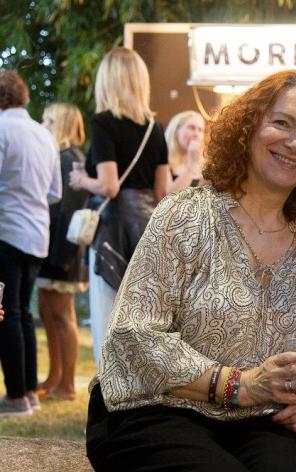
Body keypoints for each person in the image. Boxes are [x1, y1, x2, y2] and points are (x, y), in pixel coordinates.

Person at [85, 70, 296, 471]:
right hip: (159, 410)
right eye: (282, 123)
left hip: (263, 421)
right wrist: (239, 385)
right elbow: (132, 337)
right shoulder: (185, 213)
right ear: (248, 127)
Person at [69, 47, 171, 365]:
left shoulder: (103, 123)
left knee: (108, 316)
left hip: (113, 231)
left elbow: (109, 186)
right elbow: (162, 191)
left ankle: (110, 386)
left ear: (107, 81)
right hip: (148, 230)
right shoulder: (155, 128)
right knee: (143, 318)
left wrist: (81, 179)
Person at [0, 69, 62, 416]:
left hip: (7, 230)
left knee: (6, 312)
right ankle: (29, 392)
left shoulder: (2, 129)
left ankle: (15, 397)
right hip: (38, 234)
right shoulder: (44, 134)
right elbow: (54, 192)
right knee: (23, 313)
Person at [35, 103, 90, 401]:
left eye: (48, 120)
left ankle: (66, 384)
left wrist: (61, 256)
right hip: (53, 247)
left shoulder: (70, 159)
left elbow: (69, 213)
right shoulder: (61, 156)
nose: (42, 125)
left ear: (62, 124)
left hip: (62, 250)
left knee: (62, 314)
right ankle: (54, 377)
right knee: (48, 311)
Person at [165, 110, 206, 193]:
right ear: (176, 131)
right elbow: (167, 197)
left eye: (200, 130)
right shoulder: (164, 161)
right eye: (191, 128)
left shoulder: (205, 164)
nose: (196, 134)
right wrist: (192, 166)